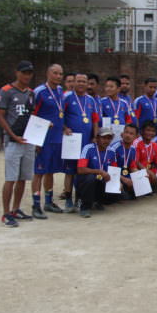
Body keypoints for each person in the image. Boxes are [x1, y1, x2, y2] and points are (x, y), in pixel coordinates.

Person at [0, 61, 36, 226]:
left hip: (28, 140)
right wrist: (12, 135)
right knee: (10, 178)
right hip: (13, 140)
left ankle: (16, 208)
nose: (27, 76)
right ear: (17, 73)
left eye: (29, 73)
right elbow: (0, 116)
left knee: (23, 178)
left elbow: (32, 116)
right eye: (24, 72)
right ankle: (5, 213)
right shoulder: (6, 91)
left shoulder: (31, 93)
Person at [31, 64, 65, 219]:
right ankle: (36, 204)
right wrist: (36, 140)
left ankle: (49, 201)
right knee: (39, 172)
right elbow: (33, 116)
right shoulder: (39, 92)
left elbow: (58, 113)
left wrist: (64, 128)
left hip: (57, 138)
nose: (58, 76)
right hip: (43, 139)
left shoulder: (60, 91)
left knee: (50, 170)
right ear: (47, 73)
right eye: (55, 73)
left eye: (60, 74)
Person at [62, 73, 100, 211]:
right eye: (79, 81)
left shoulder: (91, 100)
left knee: (82, 171)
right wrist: (65, 128)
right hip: (71, 141)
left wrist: (95, 136)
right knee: (69, 171)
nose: (81, 84)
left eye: (84, 81)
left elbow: (95, 119)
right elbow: (60, 116)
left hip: (86, 142)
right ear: (74, 82)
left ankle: (79, 198)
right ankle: (68, 200)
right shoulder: (66, 97)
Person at [76, 127, 117, 218]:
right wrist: (99, 171)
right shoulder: (88, 148)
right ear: (97, 138)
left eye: (109, 138)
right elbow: (80, 169)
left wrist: (118, 182)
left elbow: (114, 170)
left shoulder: (112, 151)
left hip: (101, 181)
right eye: (104, 138)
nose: (106, 140)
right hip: (87, 180)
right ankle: (84, 206)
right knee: (90, 178)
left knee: (117, 193)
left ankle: (97, 201)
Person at [110, 123, 139, 199]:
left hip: (125, 175)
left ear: (136, 137)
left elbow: (133, 167)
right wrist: (124, 179)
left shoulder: (133, 149)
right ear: (122, 133)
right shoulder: (114, 148)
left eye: (131, 133)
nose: (128, 135)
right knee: (118, 197)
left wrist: (140, 176)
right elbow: (112, 170)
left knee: (142, 179)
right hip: (114, 175)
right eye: (126, 132)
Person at [135, 121, 157, 188]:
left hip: (149, 170)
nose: (150, 133)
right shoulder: (137, 143)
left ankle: (154, 185)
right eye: (148, 130)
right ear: (142, 131)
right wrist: (149, 172)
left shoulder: (155, 145)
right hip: (138, 170)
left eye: (153, 131)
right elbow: (136, 162)